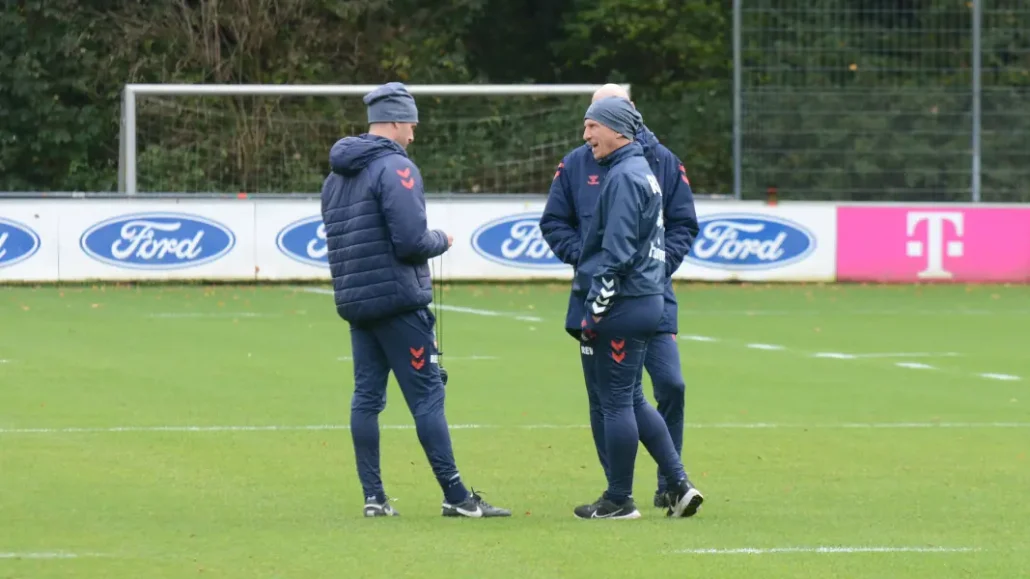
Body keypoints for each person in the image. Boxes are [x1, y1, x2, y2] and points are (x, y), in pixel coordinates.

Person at [320, 82, 510, 519]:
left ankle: (374, 498)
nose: (414, 136)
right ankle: (457, 497)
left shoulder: (336, 176)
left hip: (356, 301)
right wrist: (440, 239)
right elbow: (408, 241)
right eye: (412, 126)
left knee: (366, 398)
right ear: (398, 121)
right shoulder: (396, 169)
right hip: (398, 302)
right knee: (427, 397)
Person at [540, 84, 702, 510]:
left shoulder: (641, 169)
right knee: (623, 396)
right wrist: (585, 261)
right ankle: (671, 484)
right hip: (634, 295)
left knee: (642, 392)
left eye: (593, 123)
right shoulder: (595, 165)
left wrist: (602, 292)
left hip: (625, 299)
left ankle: (622, 496)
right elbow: (556, 223)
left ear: (621, 120)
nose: (585, 133)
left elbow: (623, 247)